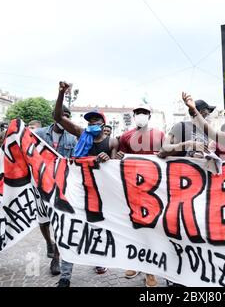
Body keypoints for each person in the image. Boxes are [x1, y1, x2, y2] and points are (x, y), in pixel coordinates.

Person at [53, 81, 119, 287]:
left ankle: (99, 261)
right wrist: (61, 93)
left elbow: (118, 169)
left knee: (98, 230)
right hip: (77, 190)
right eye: (89, 121)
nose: (92, 123)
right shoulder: (81, 134)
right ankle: (65, 276)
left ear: (103, 123)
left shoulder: (112, 142)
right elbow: (58, 117)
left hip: (101, 195)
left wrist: (109, 160)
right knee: (69, 229)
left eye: (96, 120)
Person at [117, 103, 165, 288]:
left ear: (149, 116)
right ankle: (135, 263)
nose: (141, 115)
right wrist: (119, 157)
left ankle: (150, 272)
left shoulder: (159, 135)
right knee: (133, 229)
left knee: (150, 231)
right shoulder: (125, 136)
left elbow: (168, 157)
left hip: (154, 190)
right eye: (139, 113)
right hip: (132, 189)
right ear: (134, 115)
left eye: (145, 113)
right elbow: (118, 160)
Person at [35, 105, 77, 276]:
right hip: (40, 182)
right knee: (43, 220)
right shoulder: (38, 134)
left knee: (60, 222)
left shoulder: (72, 138)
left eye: (67, 116)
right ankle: (49, 242)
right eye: (61, 115)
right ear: (54, 116)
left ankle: (56, 257)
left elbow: (74, 161)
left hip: (62, 185)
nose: (63, 119)